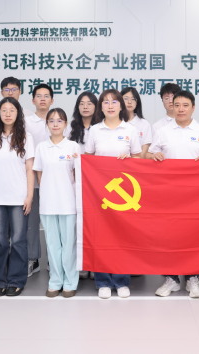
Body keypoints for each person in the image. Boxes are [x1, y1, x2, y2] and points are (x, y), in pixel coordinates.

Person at [147, 90, 199, 298]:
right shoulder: (163, 131)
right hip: (168, 193)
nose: (180, 109)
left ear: (193, 107)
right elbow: (148, 154)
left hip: (196, 194)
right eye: (176, 105)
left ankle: (193, 278)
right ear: (172, 107)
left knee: (194, 235)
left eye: (185, 105)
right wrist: (154, 155)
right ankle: (172, 278)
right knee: (169, 235)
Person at [84, 89, 142, 299]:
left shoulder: (130, 130)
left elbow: (139, 159)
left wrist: (130, 160)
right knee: (101, 238)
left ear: (121, 106)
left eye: (114, 102)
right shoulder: (94, 130)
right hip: (99, 194)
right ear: (101, 107)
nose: (110, 106)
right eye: (106, 102)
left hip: (124, 192)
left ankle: (121, 280)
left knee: (122, 237)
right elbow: (88, 159)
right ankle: (103, 282)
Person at [0, 97, 34, 297]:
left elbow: (29, 169)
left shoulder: (26, 137)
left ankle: (16, 281)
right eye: (4, 110)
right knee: (0, 241)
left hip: (19, 198)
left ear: (18, 113)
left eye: (12, 110)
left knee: (18, 240)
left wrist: (29, 196)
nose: (8, 113)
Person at [34, 108, 81, 298]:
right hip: (48, 203)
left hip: (68, 203)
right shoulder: (41, 147)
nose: (55, 124)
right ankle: (55, 281)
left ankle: (70, 282)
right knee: (52, 245)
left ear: (65, 124)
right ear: (47, 124)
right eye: (51, 121)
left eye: (59, 121)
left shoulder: (73, 147)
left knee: (69, 245)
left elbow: (77, 175)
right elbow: (39, 174)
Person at [24, 83, 55, 277]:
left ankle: (53, 260)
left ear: (52, 100)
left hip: (54, 183)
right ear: (33, 100)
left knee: (53, 223)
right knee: (31, 223)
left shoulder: (58, 120)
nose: (43, 99)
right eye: (39, 96)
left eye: (46, 96)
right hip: (32, 182)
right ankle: (32, 259)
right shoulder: (26, 122)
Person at [68, 91, 99, 280]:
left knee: (94, 224)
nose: (85, 106)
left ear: (96, 106)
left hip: (95, 185)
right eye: (81, 103)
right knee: (77, 224)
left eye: (89, 103)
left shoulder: (101, 128)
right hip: (74, 182)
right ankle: (80, 263)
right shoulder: (70, 129)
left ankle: (94, 263)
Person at [121, 87, 152, 157]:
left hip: (137, 162)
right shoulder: (116, 123)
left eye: (133, 99)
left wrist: (130, 159)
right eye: (126, 99)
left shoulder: (144, 124)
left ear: (137, 102)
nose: (129, 102)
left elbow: (143, 153)